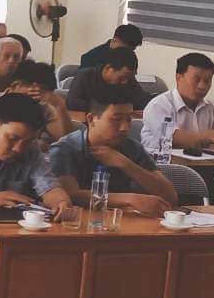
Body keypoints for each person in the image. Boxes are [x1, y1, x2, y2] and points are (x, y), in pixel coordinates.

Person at [48, 88, 176, 216]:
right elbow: (70, 195)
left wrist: (127, 165)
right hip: (78, 220)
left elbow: (169, 196)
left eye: (129, 119)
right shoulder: (65, 148)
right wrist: (129, 199)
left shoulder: (131, 147)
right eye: (116, 119)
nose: (124, 127)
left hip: (119, 220)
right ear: (91, 119)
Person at [138, 51, 214, 154]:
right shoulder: (159, 105)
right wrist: (210, 136)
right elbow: (173, 138)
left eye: (207, 81)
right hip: (161, 164)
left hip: (204, 163)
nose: (202, 86)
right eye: (196, 80)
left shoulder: (213, 107)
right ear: (179, 78)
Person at [0, 59, 74, 146]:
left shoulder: (41, 105)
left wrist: (59, 105)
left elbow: (65, 141)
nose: (35, 97)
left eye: (42, 92)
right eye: (33, 92)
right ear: (15, 85)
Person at [63, 46, 139, 114]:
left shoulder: (128, 80)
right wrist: (106, 108)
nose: (125, 82)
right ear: (109, 68)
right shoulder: (85, 75)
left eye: (128, 78)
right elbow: (72, 102)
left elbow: (140, 99)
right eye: (122, 77)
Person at [78, 24, 144, 72]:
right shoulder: (91, 58)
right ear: (115, 40)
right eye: (126, 49)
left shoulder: (128, 58)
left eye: (132, 50)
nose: (128, 53)